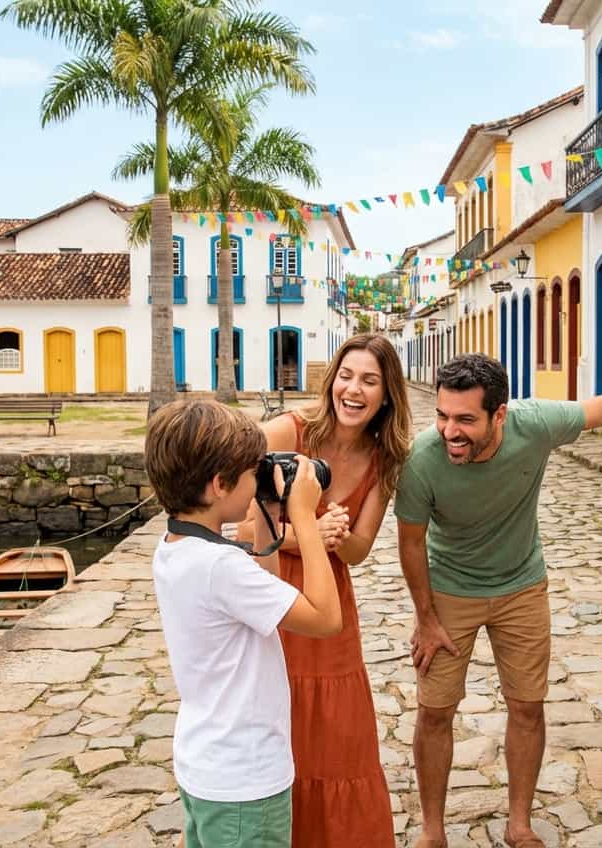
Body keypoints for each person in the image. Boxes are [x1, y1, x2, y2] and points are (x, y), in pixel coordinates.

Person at [394, 354, 602, 848]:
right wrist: (426, 618)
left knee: (527, 706)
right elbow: (411, 542)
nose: (449, 430)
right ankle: (433, 830)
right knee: (435, 711)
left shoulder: (534, 425)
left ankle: (519, 824)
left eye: (465, 419)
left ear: (500, 415)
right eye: (442, 415)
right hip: (450, 590)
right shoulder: (423, 458)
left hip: (522, 585)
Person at [240, 333, 412, 848]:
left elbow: (359, 550)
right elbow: (243, 530)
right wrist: (310, 532)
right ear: (331, 378)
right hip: (272, 590)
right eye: (346, 375)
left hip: (328, 598)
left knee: (339, 739)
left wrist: (336, 538)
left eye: (369, 381)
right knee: (276, 716)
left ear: (387, 395)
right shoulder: (286, 432)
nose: (353, 390)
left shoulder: (384, 460)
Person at [147, 400, 342, 848]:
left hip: (206, 765)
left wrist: (270, 515)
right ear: (219, 485)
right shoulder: (220, 567)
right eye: (251, 474)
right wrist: (307, 520)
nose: (258, 480)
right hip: (245, 781)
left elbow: (264, 593)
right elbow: (326, 618)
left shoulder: (175, 548)